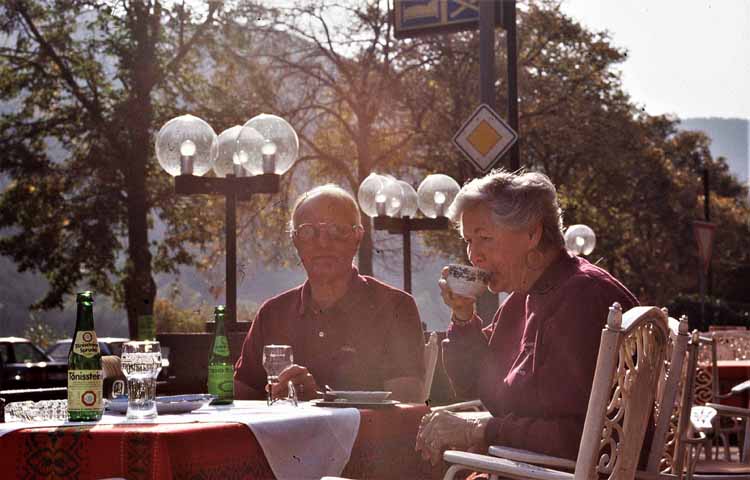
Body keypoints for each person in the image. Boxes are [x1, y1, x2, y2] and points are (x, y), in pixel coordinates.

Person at [415, 169, 638, 464]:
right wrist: (463, 316)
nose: (473, 255)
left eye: (484, 238)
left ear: (532, 233)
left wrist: (478, 430)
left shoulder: (582, 297)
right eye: (469, 241)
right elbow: (475, 383)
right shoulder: (524, 297)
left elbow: (578, 435)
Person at [234, 184, 425, 403]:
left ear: (357, 237)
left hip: (365, 438)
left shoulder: (395, 307)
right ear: (295, 240)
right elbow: (240, 394)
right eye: (308, 231)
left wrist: (318, 401)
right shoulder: (272, 313)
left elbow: (407, 405)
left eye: (337, 231)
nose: (323, 243)